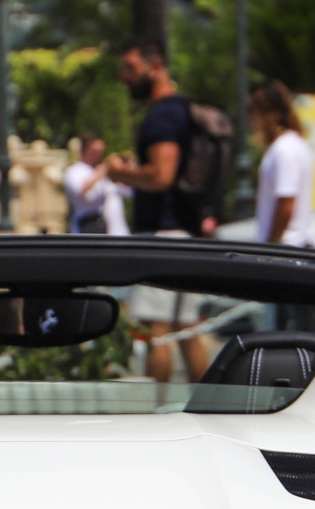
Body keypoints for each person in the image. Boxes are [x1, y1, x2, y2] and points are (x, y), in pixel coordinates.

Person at [105, 43, 212, 386]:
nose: (124, 78)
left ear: (155, 67)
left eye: (130, 68)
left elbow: (162, 175)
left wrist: (120, 174)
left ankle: (157, 415)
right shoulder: (182, 110)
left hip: (163, 236)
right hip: (184, 232)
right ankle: (214, 407)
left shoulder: (163, 115)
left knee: (157, 331)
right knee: (185, 328)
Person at [248, 81, 313, 247]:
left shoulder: (284, 149)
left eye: (251, 110)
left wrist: (270, 247)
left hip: (286, 249)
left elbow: (286, 204)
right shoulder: (289, 145)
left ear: (266, 112)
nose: (249, 118)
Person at [61, 134, 127, 235]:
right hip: (87, 224)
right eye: (94, 151)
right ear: (83, 151)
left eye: (100, 151)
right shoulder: (74, 171)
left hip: (105, 225)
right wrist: (103, 169)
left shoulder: (102, 172)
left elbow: (127, 191)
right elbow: (80, 190)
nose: (98, 155)